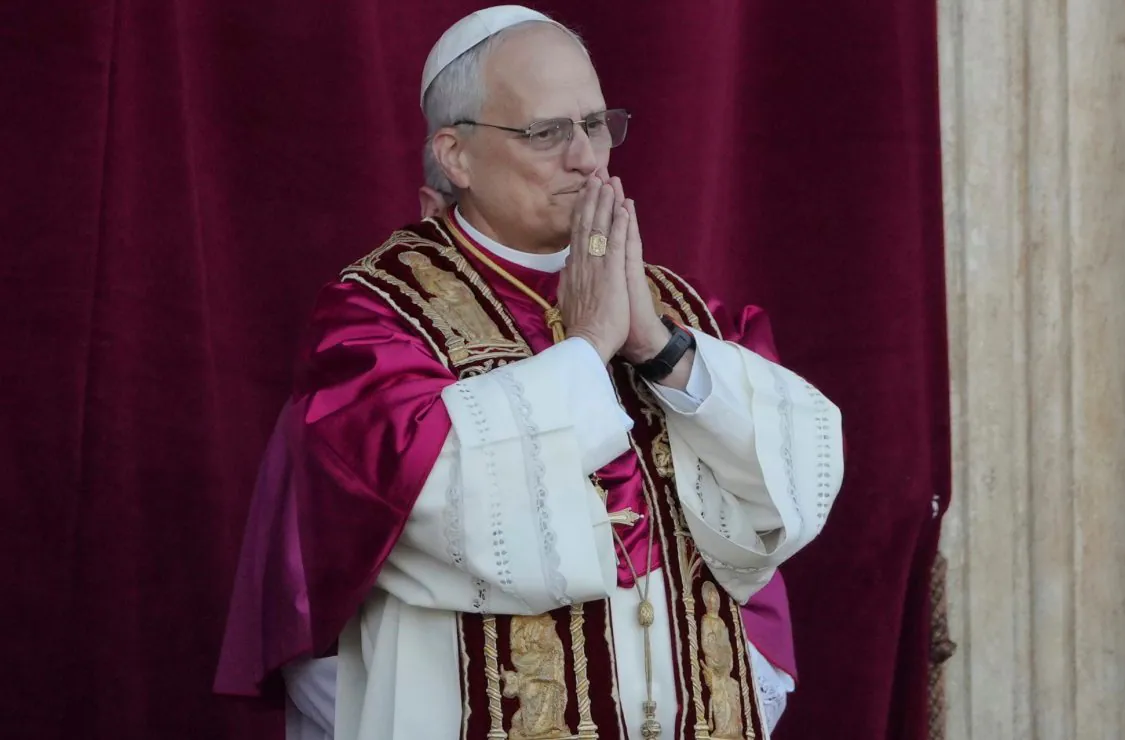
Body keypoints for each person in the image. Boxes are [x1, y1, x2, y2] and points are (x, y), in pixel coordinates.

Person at [215, 6, 844, 740]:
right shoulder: (379, 312)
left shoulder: (674, 307)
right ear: (455, 156)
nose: (586, 157)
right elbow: (429, 503)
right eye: (547, 133)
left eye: (596, 124)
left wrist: (657, 348)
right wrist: (584, 351)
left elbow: (792, 485)